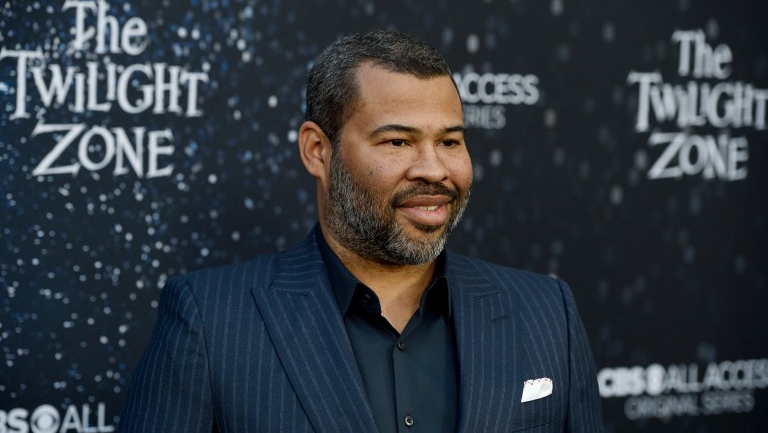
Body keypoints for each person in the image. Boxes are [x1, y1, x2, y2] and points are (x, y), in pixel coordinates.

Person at [119, 30, 604, 432]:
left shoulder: (547, 314)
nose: (434, 169)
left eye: (450, 140)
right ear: (317, 151)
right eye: (398, 141)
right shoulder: (211, 322)